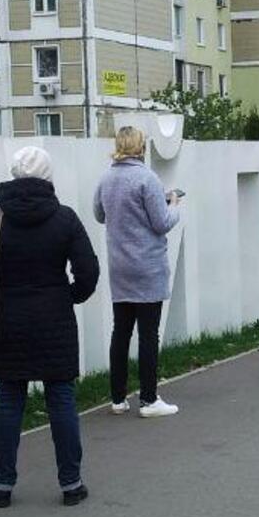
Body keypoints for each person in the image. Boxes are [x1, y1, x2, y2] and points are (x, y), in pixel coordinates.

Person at [0, 146, 100, 508]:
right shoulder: (65, 218)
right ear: (48, 177)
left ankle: (2, 486)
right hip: (55, 319)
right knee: (61, 399)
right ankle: (71, 484)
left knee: (10, 401)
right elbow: (89, 272)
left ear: (13, 176)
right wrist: (69, 295)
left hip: (8, 321)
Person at [91, 126, 181, 419]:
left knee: (121, 331)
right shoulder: (147, 178)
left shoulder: (106, 179)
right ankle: (149, 399)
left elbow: (99, 214)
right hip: (148, 265)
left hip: (120, 265)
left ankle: (117, 398)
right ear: (140, 148)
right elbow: (161, 223)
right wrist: (174, 205)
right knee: (148, 334)